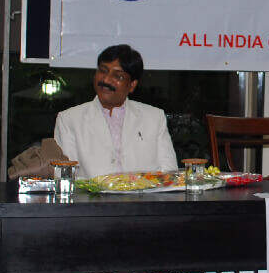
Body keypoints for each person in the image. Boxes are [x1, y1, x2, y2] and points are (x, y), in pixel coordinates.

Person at [53, 44, 178, 178]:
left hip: (145, 191)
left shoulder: (154, 118)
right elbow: (65, 176)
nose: (106, 80)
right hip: (90, 191)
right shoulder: (69, 119)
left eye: (118, 76)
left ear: (132, 85)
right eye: (103, 71)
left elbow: (169, 173)